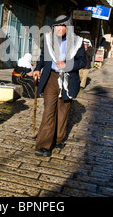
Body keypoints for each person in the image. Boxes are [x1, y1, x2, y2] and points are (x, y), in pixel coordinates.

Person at [32, 15, 86, 157]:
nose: (59, 29)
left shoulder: (77, 42)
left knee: (62, 112)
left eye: (62, 26)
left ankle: (59, 139)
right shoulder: (49, 41)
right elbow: (43, 58)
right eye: (56, 26)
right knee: (49, 110)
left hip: (67, 79)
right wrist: (38, 68)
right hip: (51, 78)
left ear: (68, 28)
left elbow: (82, 61)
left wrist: (67, 65)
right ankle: (44, 145)